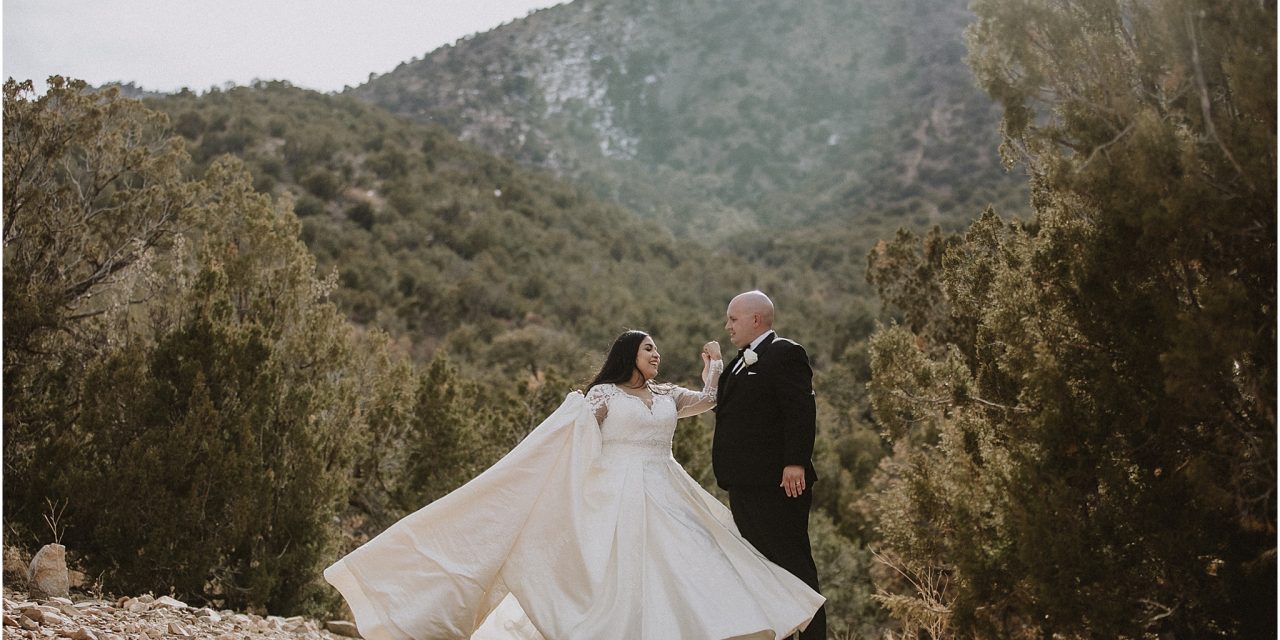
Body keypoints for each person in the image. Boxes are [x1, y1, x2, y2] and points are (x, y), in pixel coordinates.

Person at [325, 329, 824, 639]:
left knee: (692, 562)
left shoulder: (668, 393)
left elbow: (708, 400)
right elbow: (571, 435)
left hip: (667, 491)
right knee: (619, 573)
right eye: (649, 348)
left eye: (656, 349)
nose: (656, 354)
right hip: (616, 493)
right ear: (629, 353)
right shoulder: (603, 395)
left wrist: (712, 369)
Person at [714, 291, 827, 640]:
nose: (727, 325)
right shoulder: (736, 363)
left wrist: (794, 461)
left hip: (778, 484)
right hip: (743, 484)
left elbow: (800, 410)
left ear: (756, 320)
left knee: (793, 566)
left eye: (733, 319)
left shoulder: (785, 353)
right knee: (761, 570)